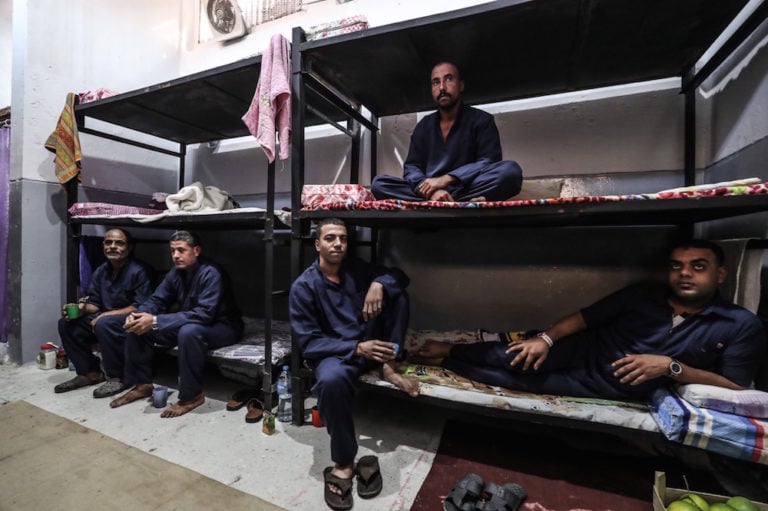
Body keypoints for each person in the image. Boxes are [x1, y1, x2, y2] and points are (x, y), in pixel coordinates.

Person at [415, 239, 767, 400]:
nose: (685, 274)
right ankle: (450, 348)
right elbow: (585, 318)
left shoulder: (739, 324)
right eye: (677, 266)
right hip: (582, 351)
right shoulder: (645, 295)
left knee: (511, 384)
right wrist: (547, 340)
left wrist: (672, 368)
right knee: (512, 358)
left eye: (698, 267)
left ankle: (449, 360)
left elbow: (737, 389)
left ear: (721, 275)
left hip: (603, 387)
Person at [289, 218, 418, 510]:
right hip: (340, 353)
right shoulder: (304, 287)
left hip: (373, 345)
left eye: (343, 239)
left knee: (397, 292)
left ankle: (389, 363)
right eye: (331, 238)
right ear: (317, 244)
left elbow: (399, 276)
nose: (338, 244)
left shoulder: (357, 270)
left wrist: (378, 283)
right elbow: (309, 343)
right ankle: (344, 463)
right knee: (330, 381)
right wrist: (357, 348)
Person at [109, 230, 244, 418]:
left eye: (181, 250)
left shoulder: (212, 273)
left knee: (189, 332)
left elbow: (204, 314)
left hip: (223, 326)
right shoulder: (176, 273)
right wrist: (139, 315)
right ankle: (142, 384)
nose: (175, 255)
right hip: (192, 322)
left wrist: (155, 321)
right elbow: (157, 300)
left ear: (196, 250)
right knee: (138, 328)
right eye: (172, 251)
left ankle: (192, 396)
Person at [371, 61, 522, 202]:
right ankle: (451, 201)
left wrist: (446, 179)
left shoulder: (482, 120)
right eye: (436, 82)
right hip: (430, 191)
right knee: (379, 184)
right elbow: (412, 167)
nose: (442, 87)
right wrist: (432, 191)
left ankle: (448, 200)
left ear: (461, 85)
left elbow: (488, 161)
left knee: (510, 172)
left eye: (449, 79)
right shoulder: (423, 126)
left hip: (467, 185)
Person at [55, 228, 154, 398]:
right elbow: (94, 303)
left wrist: (105, 315)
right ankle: (90, 373)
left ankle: (120, 377)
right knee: (66, 323)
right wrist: (81, 309)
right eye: (108, 242)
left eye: (119, 243)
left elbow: (140, 306)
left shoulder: (140, 270)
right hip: (105, 319)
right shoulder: (101, 271)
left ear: (129, 247)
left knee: (104, 323)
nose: (112, 246)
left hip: (134, 318)